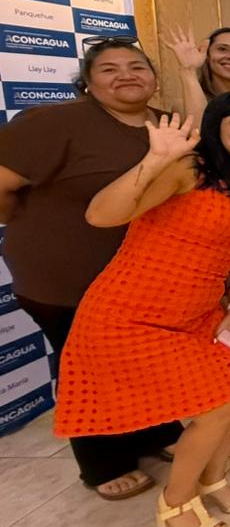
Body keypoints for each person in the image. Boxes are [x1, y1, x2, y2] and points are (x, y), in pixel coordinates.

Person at [57, 93, 230, 527]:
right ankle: (175, 503)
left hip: (197, 315)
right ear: (216, 129)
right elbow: (100, 214)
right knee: (217, 407)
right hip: (130, 315)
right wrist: (155, 159)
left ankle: (212, 478)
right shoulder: (190, 171)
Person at [0, 38, 185, 501]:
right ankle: (102, 462)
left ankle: (154, 432)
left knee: (142, 360)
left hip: (141, 278)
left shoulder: (164, 124)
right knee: (86, 367)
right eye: (109, 69)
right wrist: (30, 226)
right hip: (66, 275)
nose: (126, 75)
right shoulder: (56, 122)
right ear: (87, 81)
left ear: (153, 77)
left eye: (137, 67)